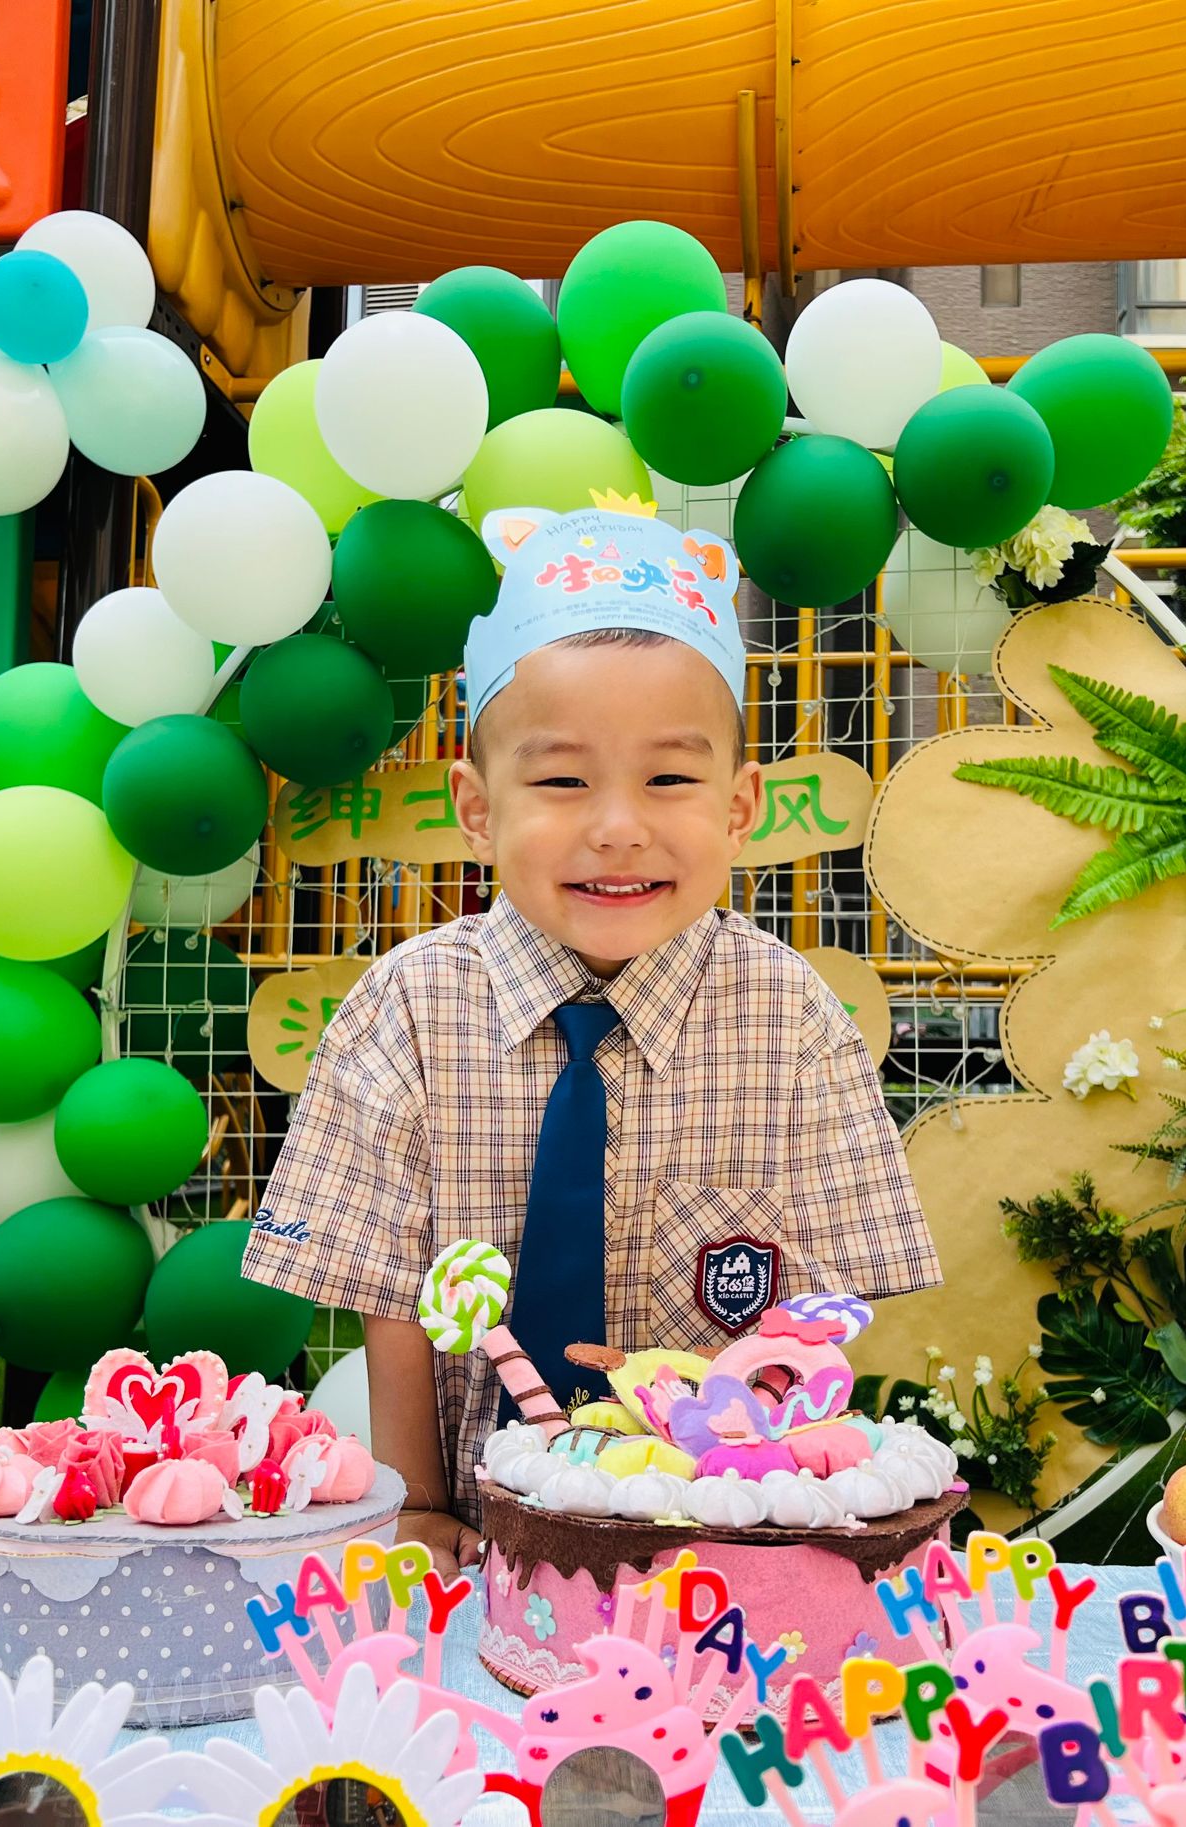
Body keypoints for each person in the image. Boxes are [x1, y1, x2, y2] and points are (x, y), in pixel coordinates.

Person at [243, 503, 941, 1565]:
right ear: (478, 807)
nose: (618, 826)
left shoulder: (792, 1020)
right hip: (480, 1539)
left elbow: (819, 1311)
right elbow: (391, 1303)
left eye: (670, 777)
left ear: (739, 805)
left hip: (723, 1540)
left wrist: (763, 1482)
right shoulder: (405, 1012)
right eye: (563, 780)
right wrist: (419, 1504)